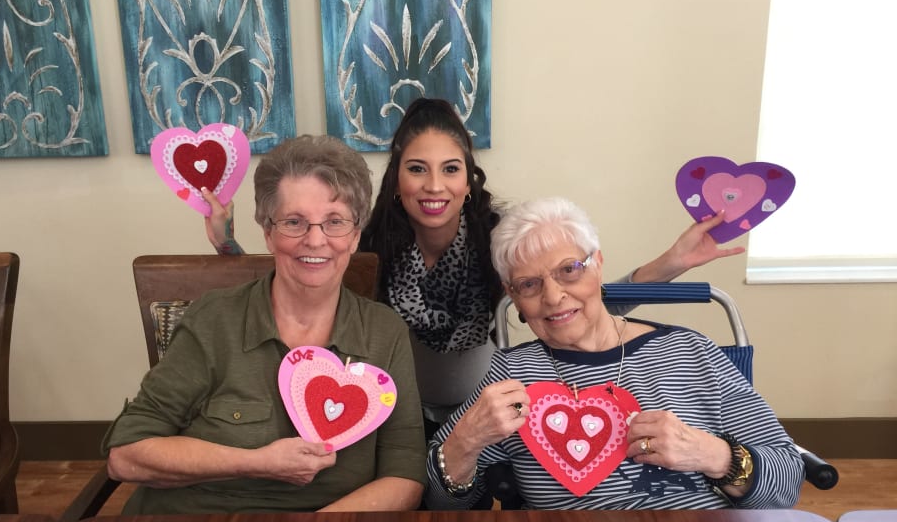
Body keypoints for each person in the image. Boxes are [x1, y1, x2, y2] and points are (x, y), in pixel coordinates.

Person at [205, 99, 744, 437]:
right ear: (397, 181)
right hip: (394, 417)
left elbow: (577, 298)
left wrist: (673, 262)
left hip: (489, 411)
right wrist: (229, 243)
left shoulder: (502, 239)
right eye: (417, 169)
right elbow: (298, 277)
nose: (433, 186)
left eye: (450, 169)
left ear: (468, 180)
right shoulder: (365, 242)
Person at [106, 135, 426, 514]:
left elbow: (405, 474)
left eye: (335, 222)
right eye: (294, 222)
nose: (316, 240)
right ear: (268, 232)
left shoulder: (383, 333)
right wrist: (259, 462)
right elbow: (125, 456)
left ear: (355, 235)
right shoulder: (214, 320)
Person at [425, 197, 803, 510]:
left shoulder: (691, 352)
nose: (554, 296)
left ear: (599, 265)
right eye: (529, 284)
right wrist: (463, 444)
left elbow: (787, 481)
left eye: (569, 270)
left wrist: (713, 456)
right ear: (513, 296)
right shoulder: (512, 376)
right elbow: (442, 505)